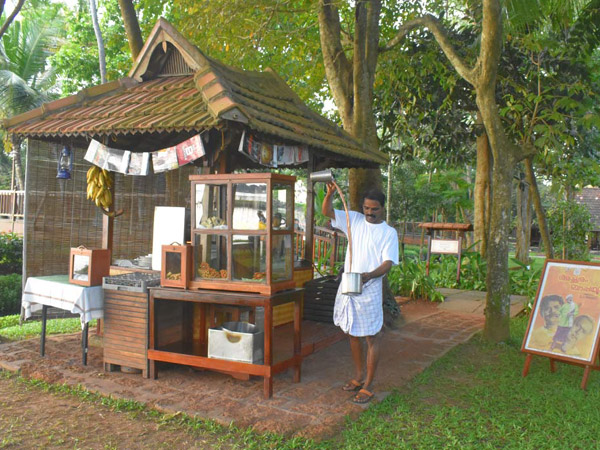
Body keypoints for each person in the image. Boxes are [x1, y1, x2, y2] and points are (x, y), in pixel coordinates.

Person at [322, 183, 399, 404]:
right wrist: (329, 194)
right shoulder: (353, 220)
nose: (369, 212)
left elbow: (388, 264)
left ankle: (369, 384)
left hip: (370, 289)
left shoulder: (388, 233)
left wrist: (369, 276)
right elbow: (326, 212)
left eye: (374, 209)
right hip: (350, 286)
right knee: (352, 331)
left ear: (382, 209)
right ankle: (358, 377)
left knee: (372, 335)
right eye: (366, 208)